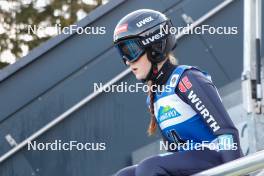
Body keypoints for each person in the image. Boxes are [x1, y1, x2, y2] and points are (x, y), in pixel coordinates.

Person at [113, 9, 243, 176]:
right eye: (123, 55)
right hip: (194, 164)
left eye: (131, 51)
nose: (128, 62)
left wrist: (236, 172)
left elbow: (227, 132)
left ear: (155, 46)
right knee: (124, 175)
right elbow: (175, 154)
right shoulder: (154, 96)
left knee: (149, 167)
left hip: (218, 158)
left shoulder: (187, 80)